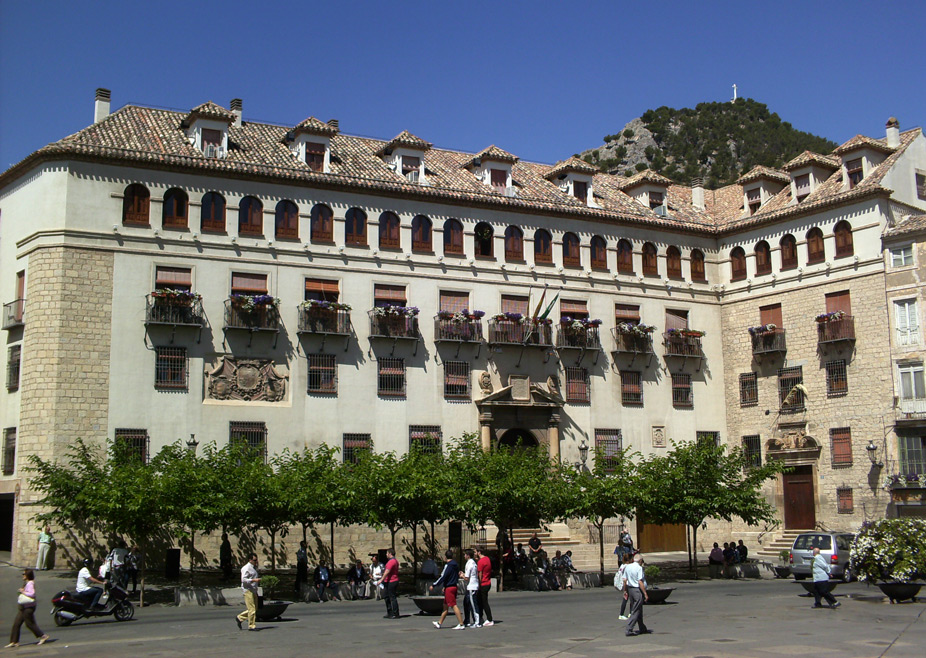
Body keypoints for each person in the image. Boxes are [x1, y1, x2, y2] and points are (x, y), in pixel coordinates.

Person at [6, 569, 49, 648]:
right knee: (16, 624)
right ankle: (14, 641)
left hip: (28, 608)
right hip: (24, 607)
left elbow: (32, 594)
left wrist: (23, 592)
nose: (23, 575)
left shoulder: (30, 583)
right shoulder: (27, 583)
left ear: (27, 575)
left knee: (29, 624)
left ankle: (43, 636)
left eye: (24, 574)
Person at [430, 549, 464, 630]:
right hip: (454, 586)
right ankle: (439, 623)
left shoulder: (448, 565)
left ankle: (461, 623)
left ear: (445, 557)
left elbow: (443, 576)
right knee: (445, 606)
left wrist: (434, 585)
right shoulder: (456, 565)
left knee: (453, 605)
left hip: (450, 587)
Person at [622, 553, 649, 637]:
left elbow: (625, 580)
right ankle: (629, 629)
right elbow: (640, 581)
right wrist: (645, 593)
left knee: (638, 608)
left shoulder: (628, 567)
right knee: (636, 610)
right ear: (640, 560)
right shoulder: (639, 568)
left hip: (630, 589)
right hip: (637, 590)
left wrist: (625, 590)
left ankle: (642, 627)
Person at [235, 553, 261, 631]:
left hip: (253, 590)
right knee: (252, 609)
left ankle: (240, 617)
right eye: (254, 560)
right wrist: (253, 580)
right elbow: (243, 580)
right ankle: (251, 626)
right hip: (248, 590)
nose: (256, 561)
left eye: (256, 560)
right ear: (250, 560)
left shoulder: (254, 568)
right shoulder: (246, 568)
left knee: (255, 608)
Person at [462, 549, 481, 628]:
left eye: (465, 554)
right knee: (466, 603)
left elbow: (467, 578)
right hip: (471, 586)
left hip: (472, 587)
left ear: (468, 556)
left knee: (473, 604)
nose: (464, 556)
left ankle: (477, 622)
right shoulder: (473, 563)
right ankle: (467, 620)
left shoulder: (469, 564)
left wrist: (462, 575)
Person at [475, 547, 494, 627]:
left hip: (483, 584)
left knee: (484, 602)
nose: (475, 553)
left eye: (475, 552)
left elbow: (480, 573)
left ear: (479, 552)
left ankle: (489, 619)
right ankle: (480, 617)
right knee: (481, 601)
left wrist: (479, 584)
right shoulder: (487, 559)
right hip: (488, 582)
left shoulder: (480, 561)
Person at [381, 548, 400, 619]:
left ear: (390, 554)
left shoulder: (392, 562)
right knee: (386, 597)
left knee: (392, 597)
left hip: (392, 581)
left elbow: (387, 571)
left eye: (387, 553)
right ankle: (389, 612)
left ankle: (395, 613)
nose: (386, 555)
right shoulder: (392, 561)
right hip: (387, 581)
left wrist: (381, 580)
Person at [616, 553, 633, 620]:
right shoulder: (628, 567)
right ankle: (623, 614)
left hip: (624, 584)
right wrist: (625, 589)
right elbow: (625, 578)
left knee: (626, 599)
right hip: (627, 584)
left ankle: (627, 613)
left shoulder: (622, 566)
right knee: (629, 599)